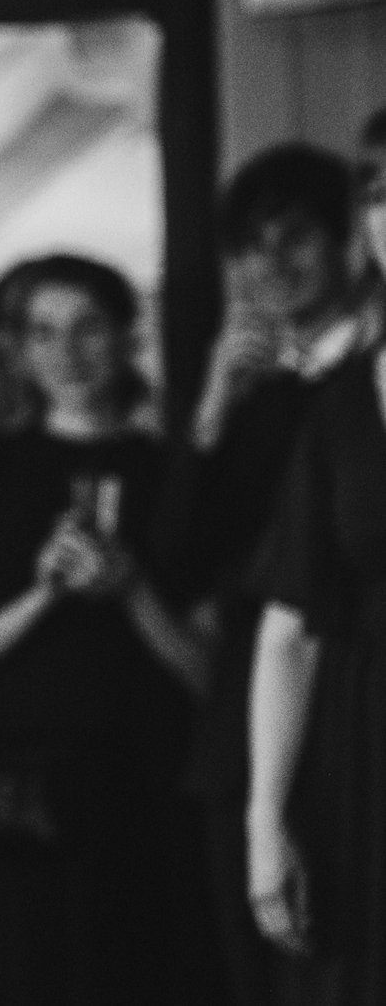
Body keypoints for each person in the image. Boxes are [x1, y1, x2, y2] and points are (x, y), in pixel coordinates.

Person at [0, 254, 213, 1006]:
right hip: (25, 806)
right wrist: (42, 596)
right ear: (20, 349)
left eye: (88, 327)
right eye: (43, 332)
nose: (67, 352)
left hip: (150, 797)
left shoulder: (174, 470)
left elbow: (212, 675)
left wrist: (131, 588)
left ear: (126, 335)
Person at [164, 144, 366, 1006]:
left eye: (295, 238)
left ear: (347, 240)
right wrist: (214, 405)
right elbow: (174, 564)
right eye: (251, 246)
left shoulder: (367, 385)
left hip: (353, 705)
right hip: (243, 723)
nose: (272, 263)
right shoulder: (254, 399)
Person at [246, 107, 386, 1006]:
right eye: (379, 191)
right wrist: (266, 817)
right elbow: (288, 629)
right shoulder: (341, 407)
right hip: (366, 745)